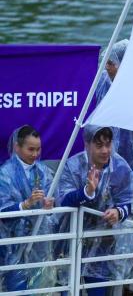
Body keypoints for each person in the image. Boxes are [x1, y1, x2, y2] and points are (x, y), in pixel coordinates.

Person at [58, 125, 133, 295]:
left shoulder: (120, 166)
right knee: (68, 289)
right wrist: (87, 192)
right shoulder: (73, 166)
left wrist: (118, 213)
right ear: (87, 144)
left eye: (108, 144)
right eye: (99, 146)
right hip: (72, 241)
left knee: (98, 290)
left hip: (103, 244)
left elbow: (129, 200)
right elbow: (64, 201)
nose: (105, 151)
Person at [0, 125, 56, 292]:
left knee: (40, 290)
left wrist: (49, 205)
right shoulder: (5, 173)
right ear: (17, 147)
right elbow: (2, 208)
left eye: (38, 149)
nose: (35, 154)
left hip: (39, 244)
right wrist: (25, 205)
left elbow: (55, 204)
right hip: (13, 245)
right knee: (16, 289)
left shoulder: (43, 171)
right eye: (30, 149)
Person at [94, 39, 133, 168]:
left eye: (111, 63)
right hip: (105, 149)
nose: (106, 66)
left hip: (132, 152)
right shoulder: (103, 81)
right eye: (106, 62)